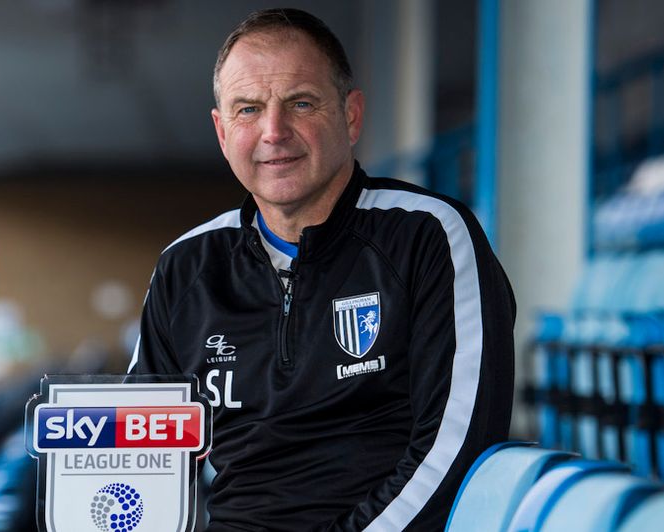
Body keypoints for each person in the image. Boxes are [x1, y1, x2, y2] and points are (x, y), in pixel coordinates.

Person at [128, 8, 515, 531]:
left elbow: (459, 448)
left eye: (300, 103)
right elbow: (140, 455)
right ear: (222, 132)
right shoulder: (185, 267)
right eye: (247, 110)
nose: (273, 131)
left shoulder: (428, 236)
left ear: (351, 116)